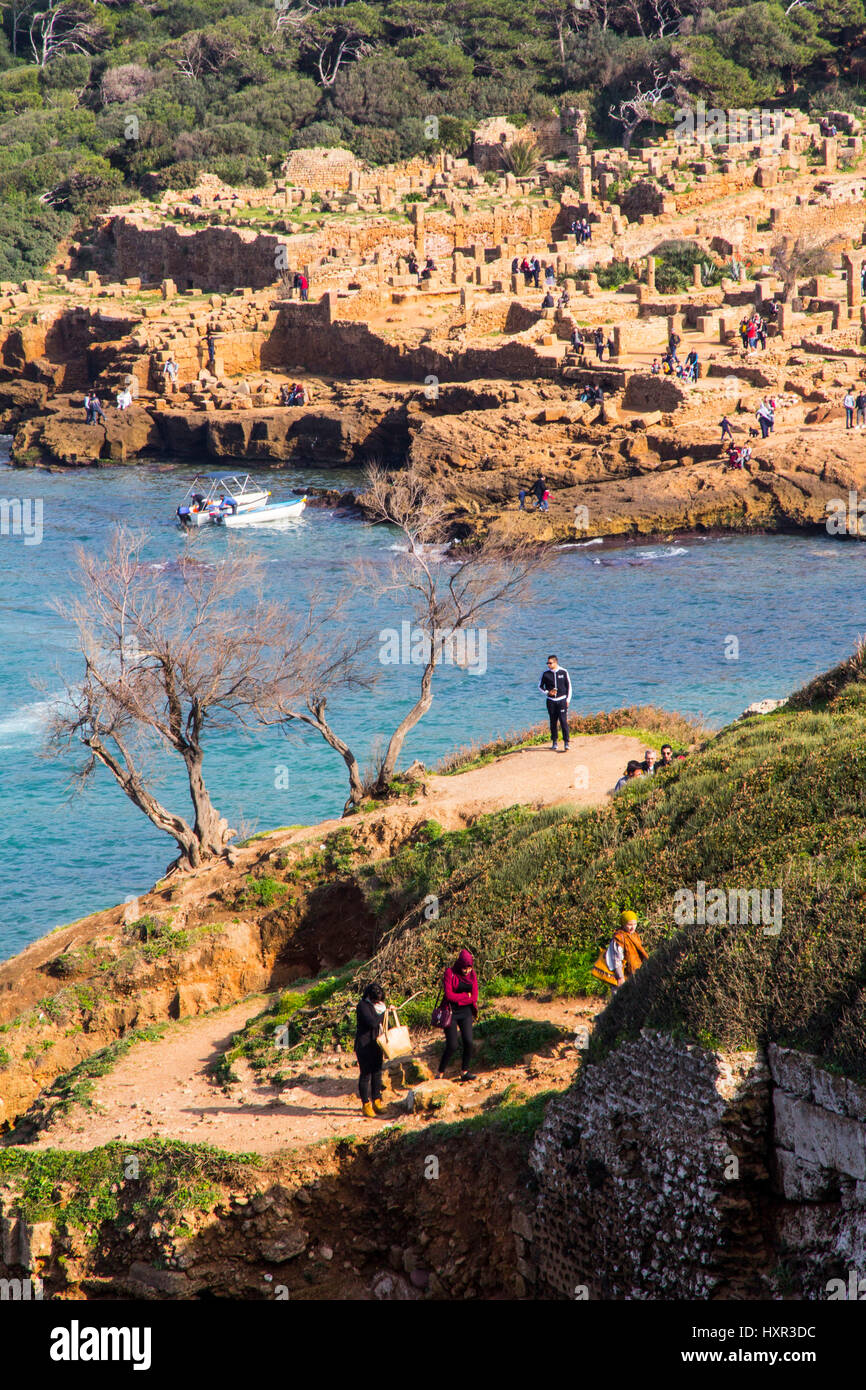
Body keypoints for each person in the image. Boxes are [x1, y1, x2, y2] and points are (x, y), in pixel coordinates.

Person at [436, 948, 478, 1082]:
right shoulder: (450, 973)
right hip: (450, 1012)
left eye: (469, 968)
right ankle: (440, 1073)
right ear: (460, 965)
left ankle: (464, 1072)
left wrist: (460, 999)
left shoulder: (472, 975)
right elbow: (449, 995)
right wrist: (465, 996)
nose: (467, 971)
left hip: (466, 1012)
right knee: (452, 1045)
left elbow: (474, 997)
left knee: (469, 1041)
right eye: (464, 968)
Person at [354, 982, 387, 1118]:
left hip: (376, 1044)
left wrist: (387, 1012)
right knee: (366, 1074)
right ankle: (366, 1104)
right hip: (364, 1045)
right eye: (375, 1000)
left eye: (379, 1000)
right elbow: (373, 1022)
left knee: (377, 1073)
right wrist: (384, 1013)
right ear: (369, 996)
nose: (377, 1002)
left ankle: (376, 1100)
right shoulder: (362, 1006)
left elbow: (382, 1022)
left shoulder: (380, 1006)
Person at [605, 910, 649, 988]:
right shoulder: (619, 938)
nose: (632, 927)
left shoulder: (635, 935)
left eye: (635, 924)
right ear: (623, 924)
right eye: (629, 924)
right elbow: (616, 959)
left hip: (635, 974)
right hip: (623, 976)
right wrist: (620, 977)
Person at [539, 653, 571, 751]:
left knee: (563, 721)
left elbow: (569, 687)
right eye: (547, 663)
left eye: (550, 663)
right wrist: (548, 692)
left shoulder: (564, 672)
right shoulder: (545, 674)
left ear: (555, 662)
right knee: (553, 722)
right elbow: (540, 686)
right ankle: (554, 742)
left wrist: (568, 700)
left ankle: (566, 742)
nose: (548, 665)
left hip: (562, 700)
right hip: (551, 701)